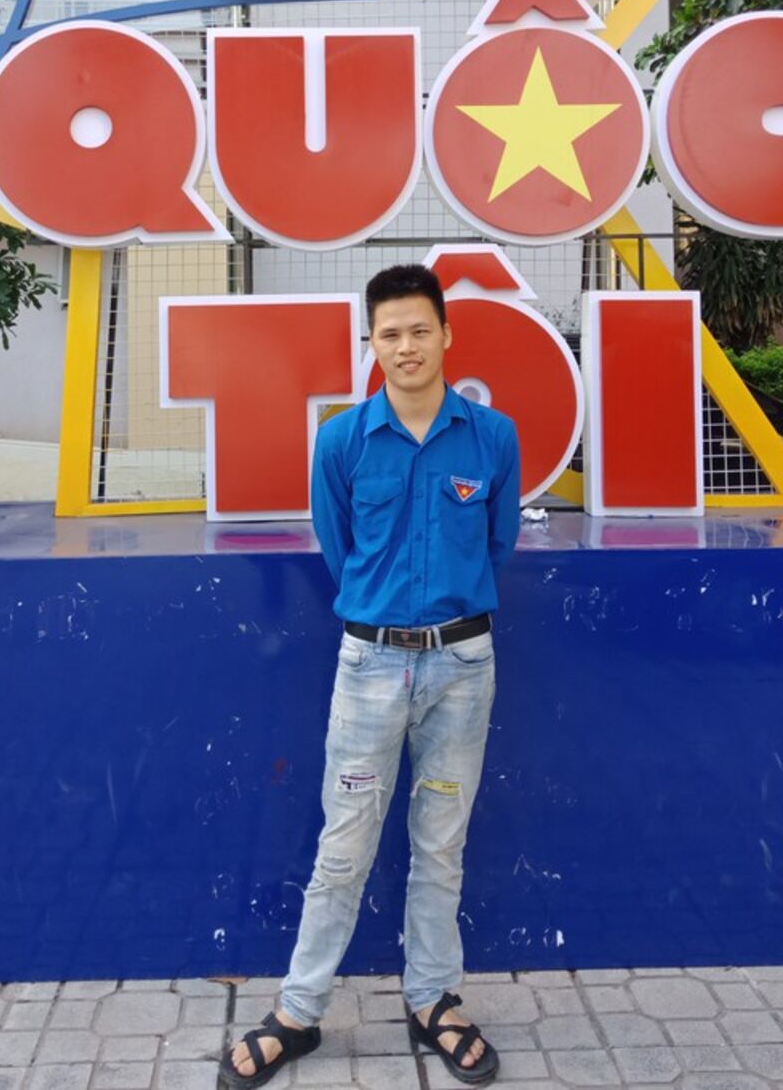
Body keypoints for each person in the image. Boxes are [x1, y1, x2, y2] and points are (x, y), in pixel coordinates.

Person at [223, 263, 521, 1089]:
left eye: (420, 329)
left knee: (441, 844)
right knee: (344, 845)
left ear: (447, 334)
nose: (406, 345)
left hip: (463, 666)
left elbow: (497, 544)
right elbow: (339, 546)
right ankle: (299, 1010)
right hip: (371, 666)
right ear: (372, 342)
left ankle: (433, 1000)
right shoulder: (343, 440)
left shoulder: (492, 437)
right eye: (390, 333)